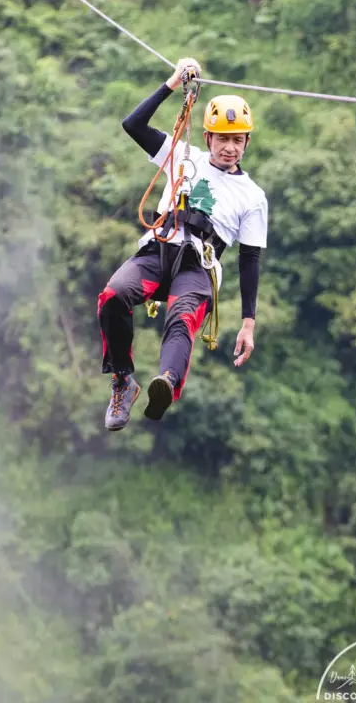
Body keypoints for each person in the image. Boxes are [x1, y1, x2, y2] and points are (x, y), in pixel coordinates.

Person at [98, 57, 268, 431]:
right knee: (113, 295)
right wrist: (172, 84)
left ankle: (167, 383)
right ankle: (123, 381)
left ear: (247, 142)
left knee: (181, 318)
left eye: (237, 140)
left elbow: (250, 260)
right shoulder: (182, 153)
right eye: (222, 139)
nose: (229, 148)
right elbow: (133, 125)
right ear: (208, 137)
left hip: (198, 267)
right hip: (157, 250)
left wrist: (248, 324)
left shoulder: (253, 196)